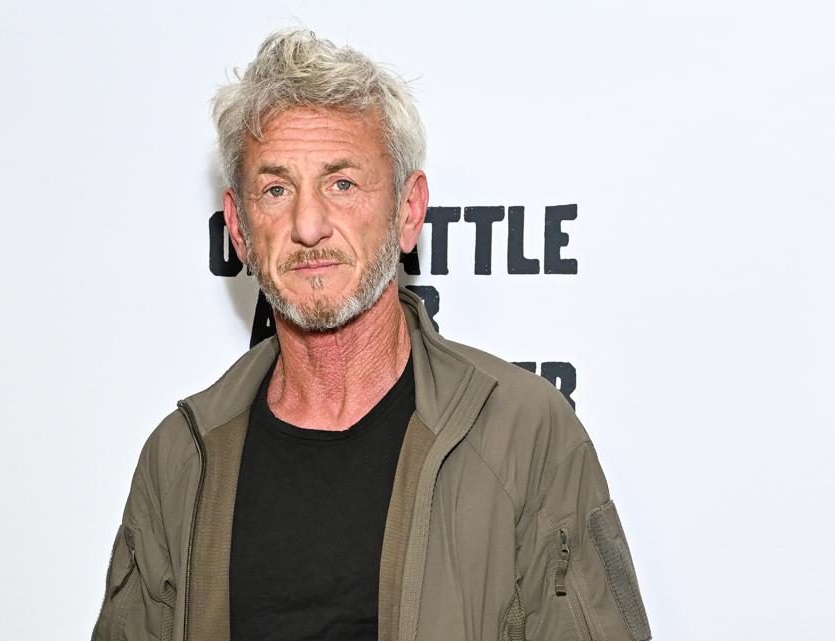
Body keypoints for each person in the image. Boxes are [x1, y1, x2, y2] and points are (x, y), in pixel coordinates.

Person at [92, 28, 651, 641]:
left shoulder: (526, 435)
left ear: (409, 211)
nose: (309, 225)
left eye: (342, 184)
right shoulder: (179, 458)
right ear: (239, 228)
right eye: (276, 189)